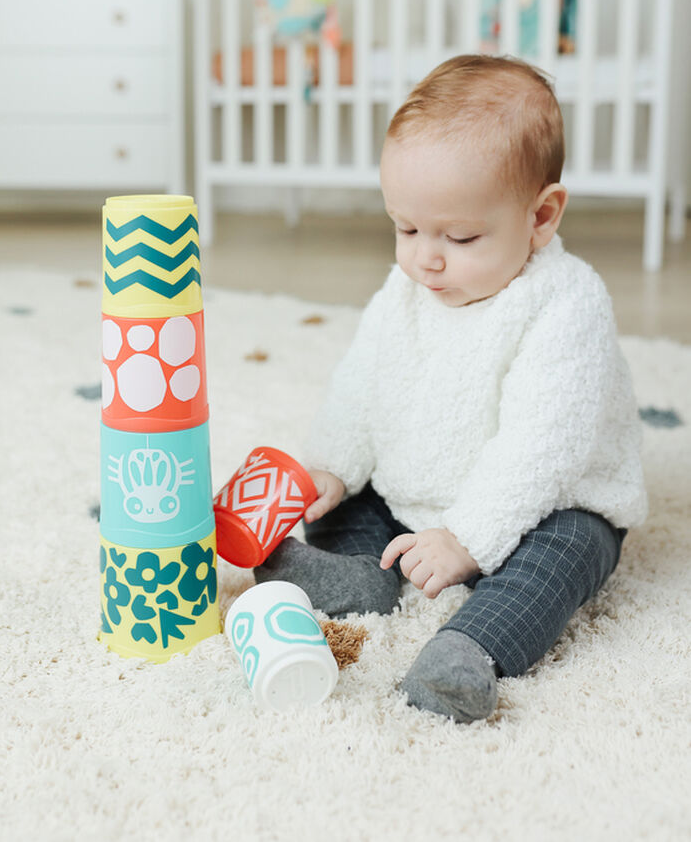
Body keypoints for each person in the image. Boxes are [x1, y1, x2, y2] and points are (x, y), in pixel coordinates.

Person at [255, 54, 647, 722]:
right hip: (421, 487)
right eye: (405, 228)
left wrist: (468, 537)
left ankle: (468, 650)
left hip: (542, 503)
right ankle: (362, 577)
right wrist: (330, 466)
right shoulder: (408, 286)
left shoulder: (565, 303)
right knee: (347, 498)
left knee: (565, 554)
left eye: (459, 235)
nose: (424, 257)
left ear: (541, 216)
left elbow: (541, 449)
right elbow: (363, 383)